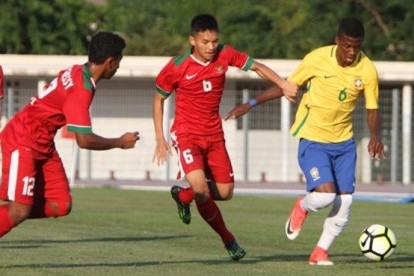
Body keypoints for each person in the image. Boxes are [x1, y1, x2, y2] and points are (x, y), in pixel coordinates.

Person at [225, 18, 385, 265]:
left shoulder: (367, 69)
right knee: (324, 197)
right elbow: (285, 86)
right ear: (338, 40)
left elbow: (372, 109)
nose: (352, 52)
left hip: (344, 144)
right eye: (347, 46)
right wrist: (251, 103)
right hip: (313, 139)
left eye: (357, 46)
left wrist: (375, 137)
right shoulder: (317, 59)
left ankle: (319, 251)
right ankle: (302, 206)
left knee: (346, 201)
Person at [153, 14, 298, 261]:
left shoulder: (225, 54)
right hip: (186, 135)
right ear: (193, 40)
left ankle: (183, 195)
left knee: (225, 192)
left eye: (214, 41)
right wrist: (160, 138)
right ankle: (229, 240)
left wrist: (282, 84)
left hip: (214, 136)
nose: (211, 47)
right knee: (201, 190)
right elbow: (158, 99)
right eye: (205, 42)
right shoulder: (176, 67)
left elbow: (257, 67)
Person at [0, 32, 140, 240]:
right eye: (118, 62)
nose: (118, 67)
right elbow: (83, 140)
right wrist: (120, 142)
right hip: (24, 138)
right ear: (110, 62)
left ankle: (17, 206)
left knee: (61, 203)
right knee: (20, 210)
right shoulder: (81, 89)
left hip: (43, 143)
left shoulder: (77, 70)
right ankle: (17, 207)